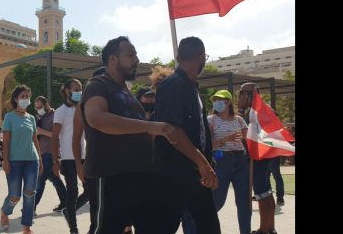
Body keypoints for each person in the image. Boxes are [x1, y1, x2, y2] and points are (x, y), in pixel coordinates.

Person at [80, 36, 178, 234]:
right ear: (113, 59)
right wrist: (151, 127)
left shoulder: (126, 92)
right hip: (110, 177)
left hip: (141, 176)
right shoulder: (98, 85)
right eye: (130, 54)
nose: (137, 59)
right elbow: (97, 118)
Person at [152, 36, 220, 234]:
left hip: (196, 175)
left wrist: (206, 163)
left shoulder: (191, 87)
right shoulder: (172, 85)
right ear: (201, 57)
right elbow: (173, 131)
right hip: (175, 176)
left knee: (209, 228)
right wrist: (203, 163)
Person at [0, 85, 43, 234]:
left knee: (30, 193)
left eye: (27, 96)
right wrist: (5, 161)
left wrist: (41, 160)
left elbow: (35, 140)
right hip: (14, 162)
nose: (25, 99)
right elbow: (6, 141)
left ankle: (26, 227)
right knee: (15, 196)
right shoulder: (9, 117)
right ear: (16, 99)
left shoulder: (31, 118)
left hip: (32, 160)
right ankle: (5, 211)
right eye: (22, 96)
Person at [208, 90, 251, 234]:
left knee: (244, 202)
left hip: (240, 160)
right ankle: (204, 227)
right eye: (215, 100)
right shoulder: (211, 120)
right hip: (221, 159)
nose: (217, 102)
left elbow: (250, 140)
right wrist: (226, 139)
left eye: (220, 99)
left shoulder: (239, 120)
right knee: (217, 200)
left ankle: (245, 231)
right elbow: (207, 146)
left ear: (228, 101)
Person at [238, 82, 277, 234]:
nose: (240, 96)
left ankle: (263, 228)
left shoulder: (255, 110)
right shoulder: (262, 108)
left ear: (252, 93)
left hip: (259, 156)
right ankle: (270, 227)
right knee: (266, 191)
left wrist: (241, 109)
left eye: (243, 93)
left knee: (261, 192)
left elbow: (244, 132)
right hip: (265, 155)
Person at [52, 78, 89, 234]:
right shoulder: (61, 111)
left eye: (81, 87)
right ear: (67, 91)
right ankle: (73, 228)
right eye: (76, 88)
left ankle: (68, 211)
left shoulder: (83, 109)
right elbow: (54, 137)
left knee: (90, 190)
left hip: (84, 156)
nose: (79, 91)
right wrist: (55, 161)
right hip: (68, 158)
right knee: (72, 191)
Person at [73, 66, 104, 234]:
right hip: (96, 165)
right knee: (97, 216)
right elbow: (76, 138)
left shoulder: (118, 101)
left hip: (119, 166)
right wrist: (79, 165)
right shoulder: (83, 106)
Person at [33, 96, 67, 213]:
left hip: (50, 152)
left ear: (46, 104)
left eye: (40, 107)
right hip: (41, 152)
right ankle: (65, 202)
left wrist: (41, 131)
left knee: (40, 179)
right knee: (55, 179)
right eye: (36, 107)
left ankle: (31, 207)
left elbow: (57, 134)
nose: (38, 109)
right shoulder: (40, 117)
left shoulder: (55, 115)